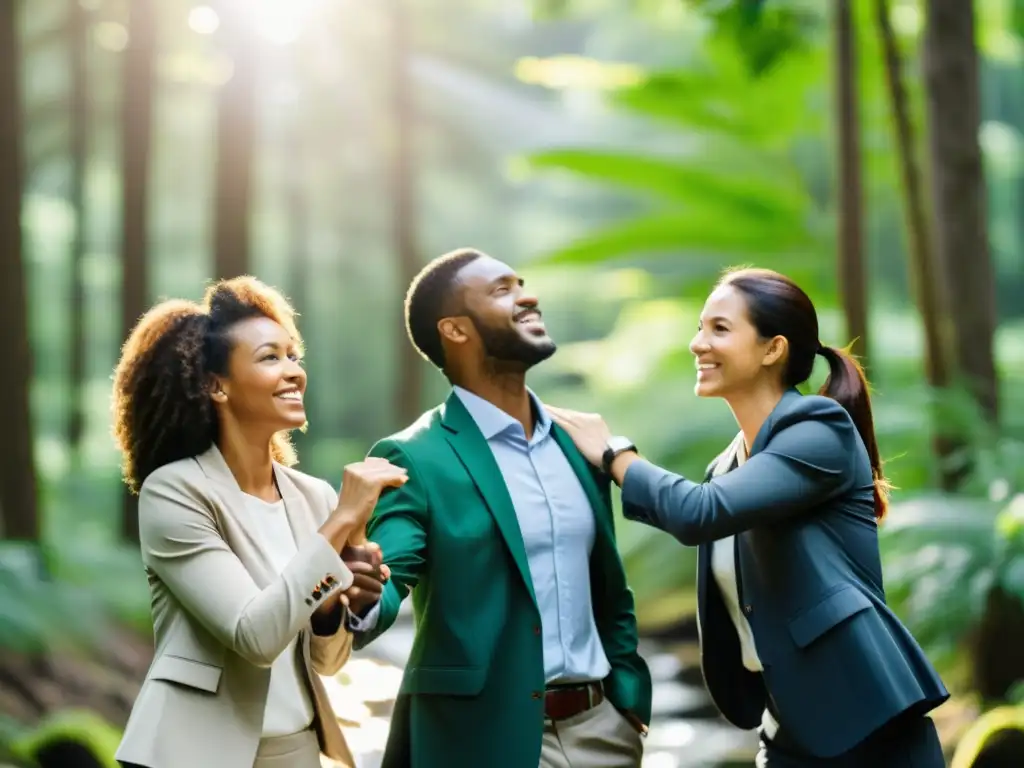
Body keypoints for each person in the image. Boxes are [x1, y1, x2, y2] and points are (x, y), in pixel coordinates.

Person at [548, 267, 949, 767]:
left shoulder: (820, 430)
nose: (698, 343)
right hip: (789, 729)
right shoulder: (726, 467)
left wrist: (614, 454)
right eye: (699, 327)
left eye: (719, 329)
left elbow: (697, 513)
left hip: (866, 722)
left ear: (772, 348)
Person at [347, 249, 652, 768]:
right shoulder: (414, 456)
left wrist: (628, 698)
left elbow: (608, 584)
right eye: (501, 290)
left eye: (522, 283)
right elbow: (388, 572)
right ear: (456, 330)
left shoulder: (581, 443)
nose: (527, 296)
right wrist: (360, 594)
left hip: (604, 732)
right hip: (480, 740)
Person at [110, 276, 406, 768]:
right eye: (270, 357)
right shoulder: (175, 492)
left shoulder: (312, 496)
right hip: (193, 752)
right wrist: (342, 523)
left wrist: (338, 603)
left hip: (296, 748)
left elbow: (327, 663)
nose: (294, 372)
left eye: (294, 355)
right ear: (215, 385)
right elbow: (255, 636)